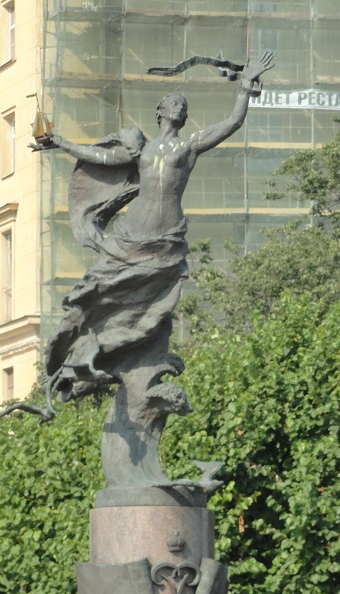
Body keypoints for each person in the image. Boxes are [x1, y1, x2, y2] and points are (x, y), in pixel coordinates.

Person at [39, 51, 275, 403]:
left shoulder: (189, 146)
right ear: (160, 112)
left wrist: (245, 85)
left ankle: (123, 356)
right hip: (131, 234)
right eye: (173, 102)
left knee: (153, 307)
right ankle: (78, 357)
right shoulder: (142, 150)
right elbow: (99, 156)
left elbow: (232, 123)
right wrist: (59, 142)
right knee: (101, 289)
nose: (180, 106)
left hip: (166, 237)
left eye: (184, 105)